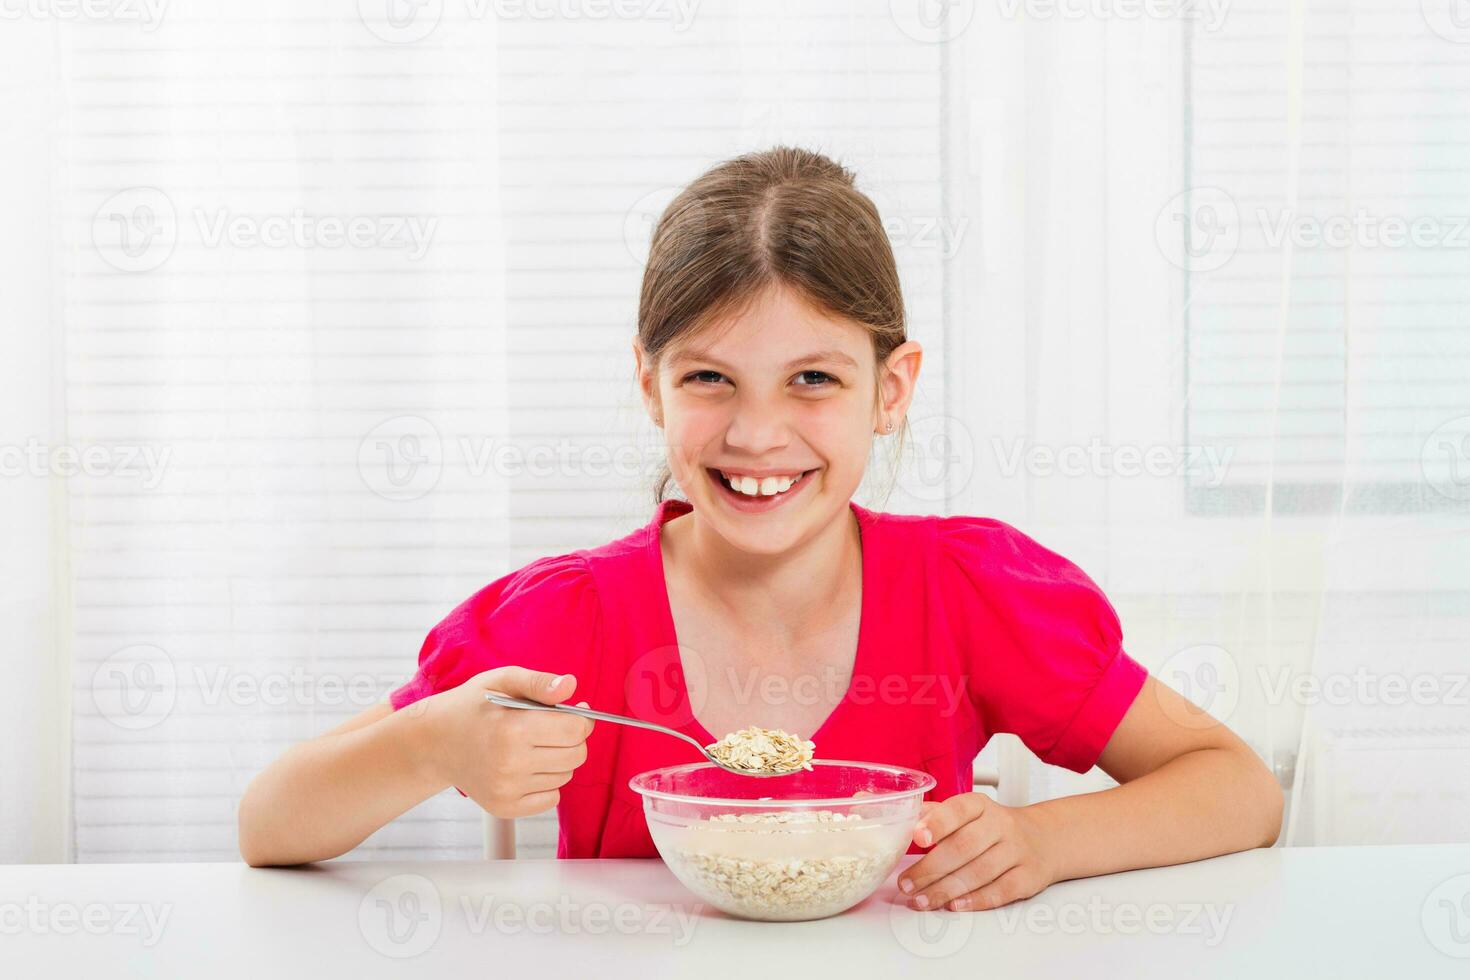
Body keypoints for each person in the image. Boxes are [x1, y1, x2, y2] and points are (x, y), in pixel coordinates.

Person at [238, 146, 1282, 913]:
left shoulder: (966, 591)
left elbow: (1235, 785)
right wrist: (431, 742)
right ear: (650, 384)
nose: (756, 433)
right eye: (709, 378)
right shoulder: (574, 620)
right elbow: (271, 819)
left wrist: (1045, 840)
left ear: (892, 386)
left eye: (814, 379)